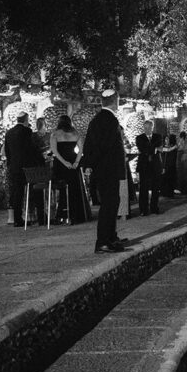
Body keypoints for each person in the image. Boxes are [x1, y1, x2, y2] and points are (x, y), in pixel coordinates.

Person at [82, 90, 127, 253]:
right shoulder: (110, 120)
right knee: (109, 204)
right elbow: (108, 147)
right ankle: (103, 241)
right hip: (109, 169)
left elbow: (89, 144)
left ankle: (111, 236)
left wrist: (89, 165)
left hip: (102, 169)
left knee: (112, 202)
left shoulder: (97, 119)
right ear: (115, 101)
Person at [4, 112, 46, 226]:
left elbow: (7, 152)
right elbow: (32, 149)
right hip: (28, 167)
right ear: (26, 120)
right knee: (36, 190)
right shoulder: (27, 131)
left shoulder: (9, 133)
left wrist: (10, 165)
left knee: (17, 193)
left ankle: (17, 220)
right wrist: (41, 161)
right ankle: (41, 217)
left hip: (14, 168)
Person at [50, 114, 88, 224]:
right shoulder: (75, 133)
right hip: (73, 162)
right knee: (74, 188)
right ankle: (76, 215)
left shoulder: (55, 134)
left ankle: (61, 214)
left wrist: (64, 162)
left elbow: (55, 151)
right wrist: (76, 162)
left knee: (63, 189)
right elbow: (81, 149)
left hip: (61, 164)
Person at [135, 121, 163, 215]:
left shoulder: (158, 137)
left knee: (156, 188)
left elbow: (156, 147)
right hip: (144, 166)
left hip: (155, 165)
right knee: (143, 188)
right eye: (145, 128)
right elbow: (142, 148)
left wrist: (149, 148)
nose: (147, 130)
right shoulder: (139, 138)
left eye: (149, 128)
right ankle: (144, 209)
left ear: (152, 128)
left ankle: (154, 208)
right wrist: (155, 149)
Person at [161, 133, 178, 199]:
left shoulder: (172, 147)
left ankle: (170, 192)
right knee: (165, 179)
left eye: (168, 139)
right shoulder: (163, 147)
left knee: (171, 179)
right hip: (165, 165)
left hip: (171, 165)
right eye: (166, 139)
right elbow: (166, 152)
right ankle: (165, 192)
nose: (166, 140)